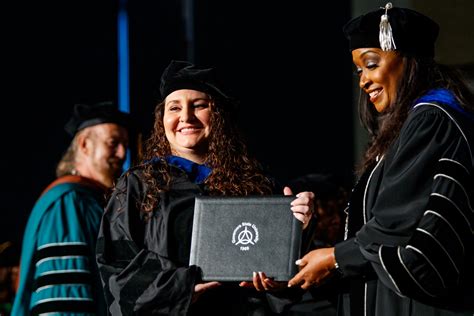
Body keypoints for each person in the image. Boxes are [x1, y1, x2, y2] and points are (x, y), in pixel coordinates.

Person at [288, 3, 474, 316]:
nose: (363, 81)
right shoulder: (407, 128)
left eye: (372, 64)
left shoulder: (431, 119)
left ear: (409, 61)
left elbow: (395, 224)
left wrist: (334, 257)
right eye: (359, 70)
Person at [96, 60, 315, 315]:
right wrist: (182, 288)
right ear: (162, 119)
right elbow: (116, 266)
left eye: (199, 106)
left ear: (217, 115)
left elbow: (288, 286)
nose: (185, 117)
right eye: (174, 108)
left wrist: (298, 233)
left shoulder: (255, 185)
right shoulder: (139, 185)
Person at [12, 102, 130, 315]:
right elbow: (64, 302)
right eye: (113, 143)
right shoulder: (69, 202)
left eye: (125, 145)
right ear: (85, 144)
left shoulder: (91, 200)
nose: (122, 154)